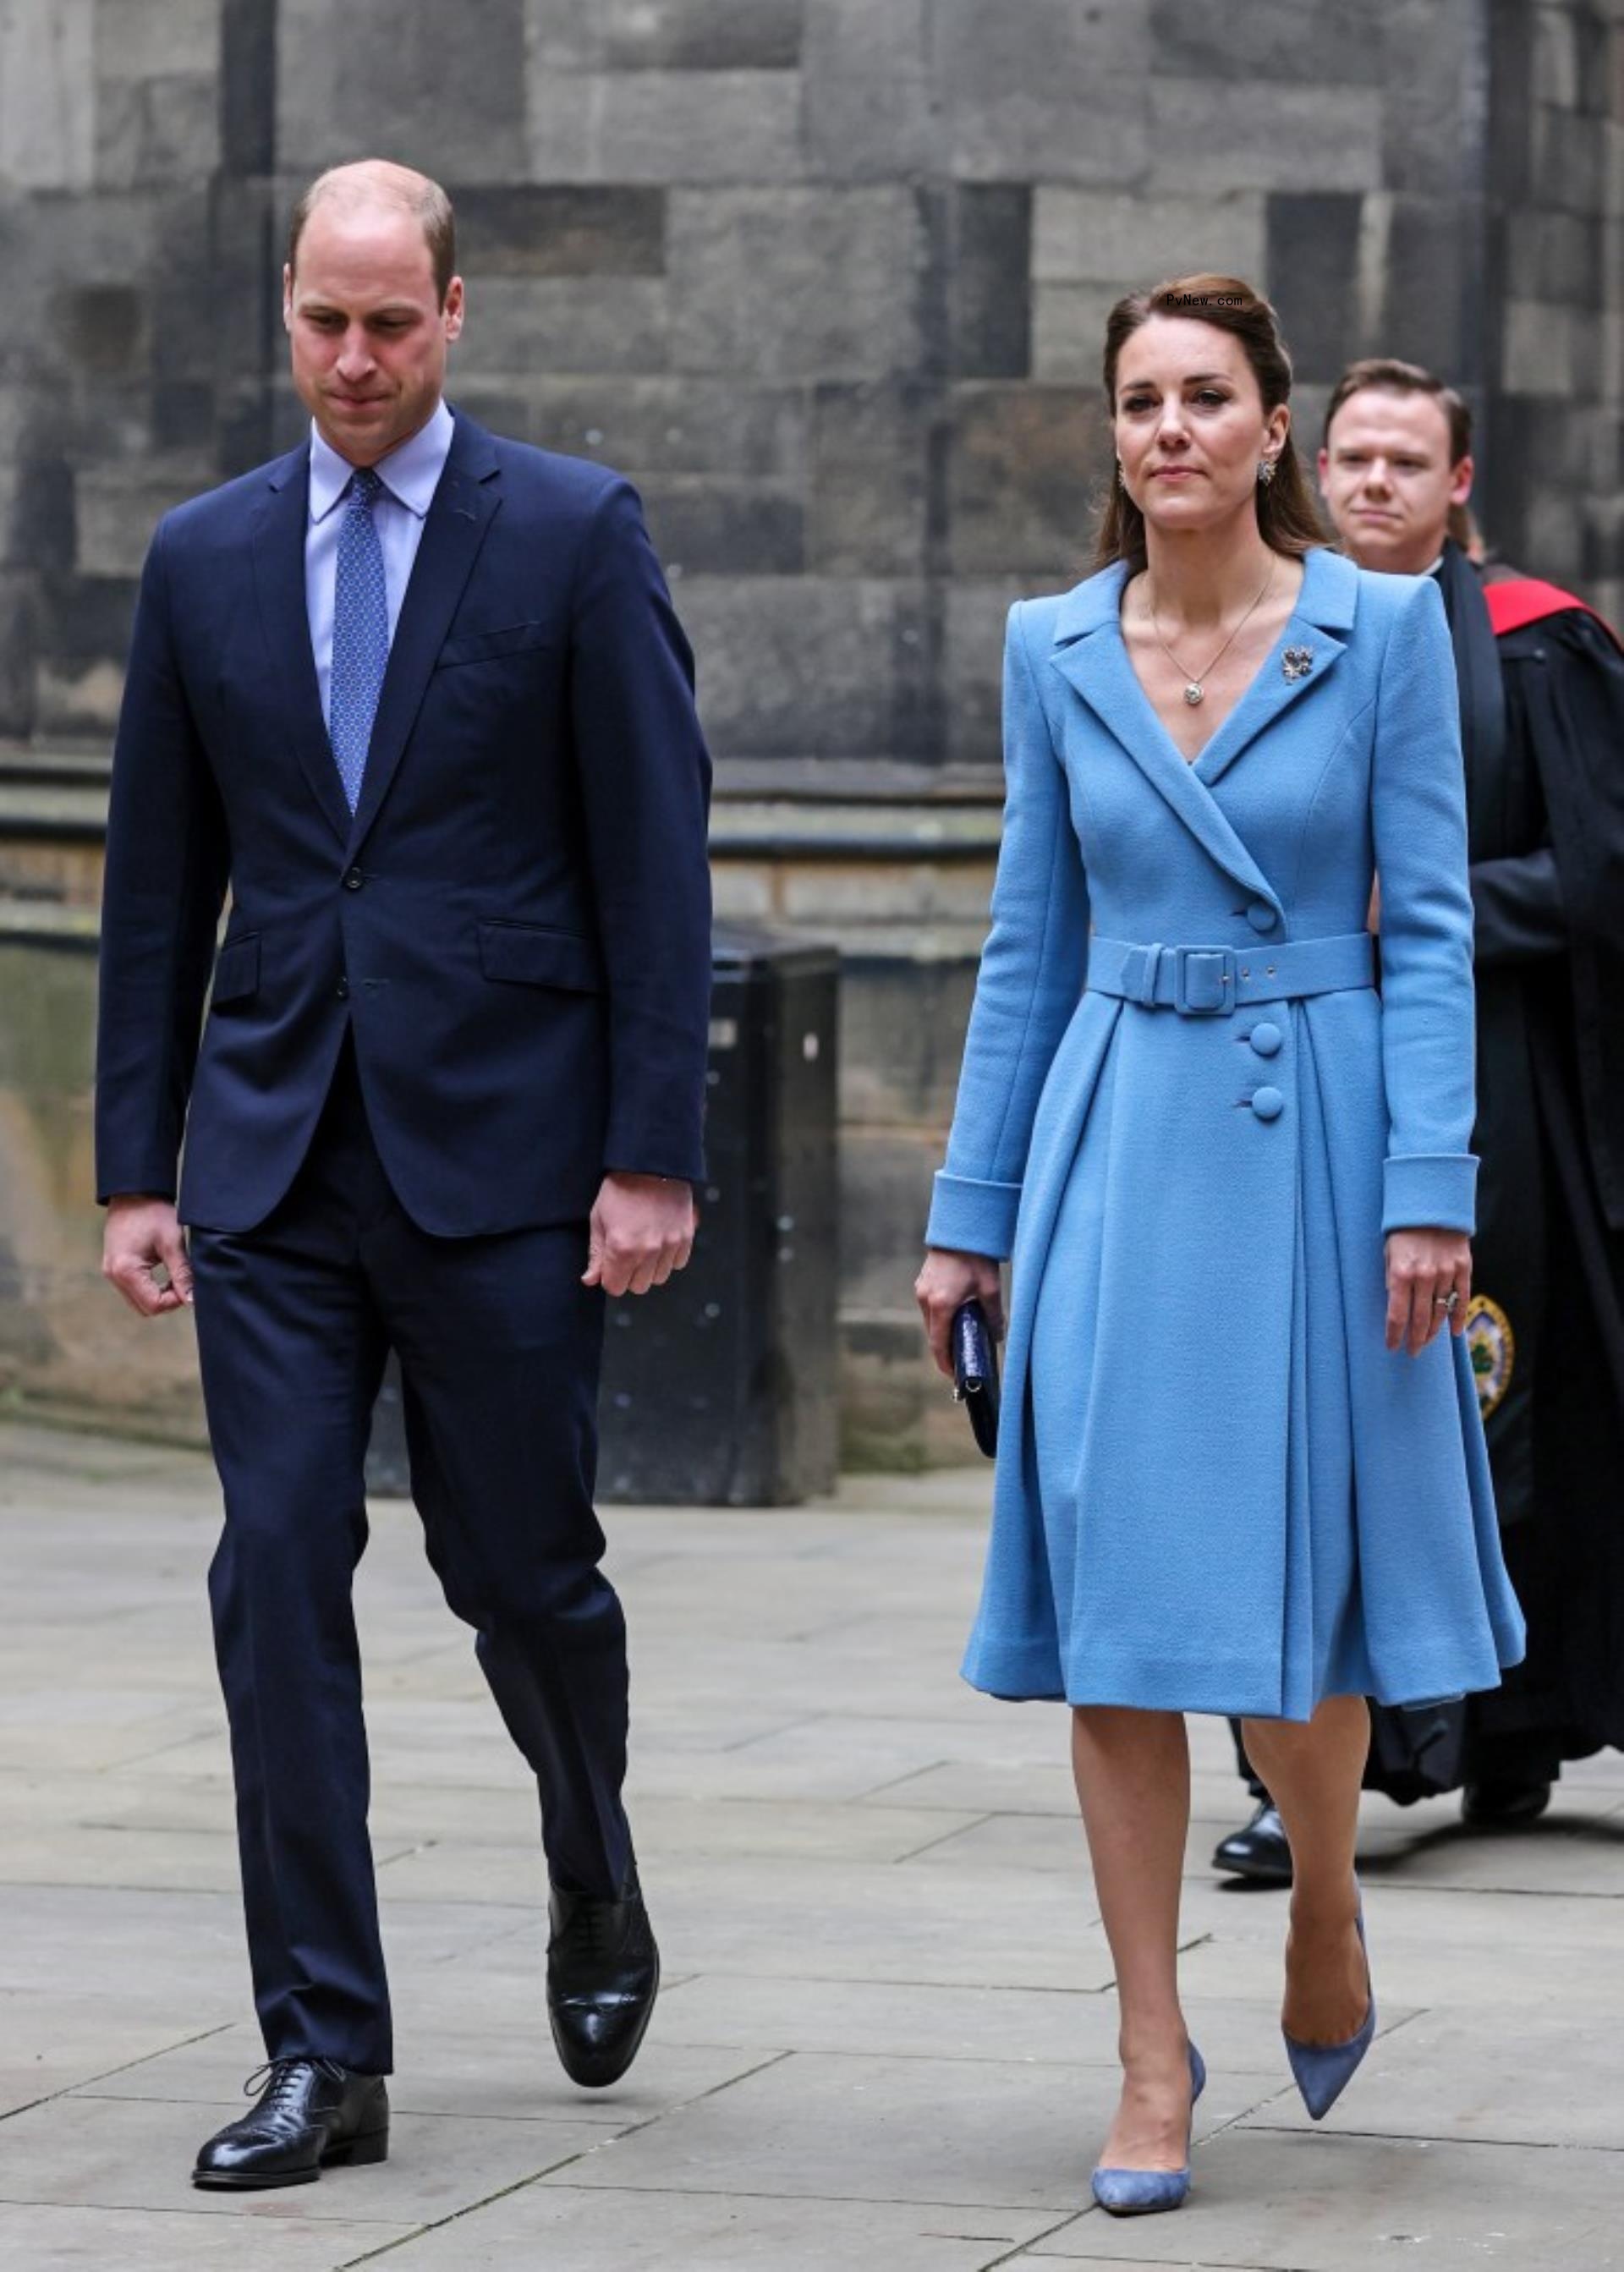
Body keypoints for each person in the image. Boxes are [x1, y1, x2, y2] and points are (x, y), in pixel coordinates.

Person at [95, 161, 713, 2190]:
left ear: (454, 317)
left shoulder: (571, 530)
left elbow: (652, 855)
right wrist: (134, 1167)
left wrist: (651, 1156)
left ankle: (594, 1856)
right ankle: (323, 2048)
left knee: (521, 1570)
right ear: (287, 309)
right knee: (275, 1569)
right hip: (271, 1155)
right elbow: (159, 883)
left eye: (391, 322)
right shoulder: (202, 556)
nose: (353, 360)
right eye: (323, 320)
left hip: (512, 1157)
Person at [914, 277, 1522, 2218]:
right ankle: (1149, 2051)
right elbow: (1027, 942)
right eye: (1138, 401)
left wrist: (1435, 1175)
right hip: (1117, 1131)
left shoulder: (1380, 631)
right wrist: (968, 1220)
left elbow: (1427, 919)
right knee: (1119, 1616)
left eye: (1206, 397)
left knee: (1307, 1601)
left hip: (1324, 1139)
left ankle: (1327, 1897)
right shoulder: (1051, 644)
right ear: (1114, 437)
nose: (1169, 428)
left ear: (1276, 430)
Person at [1214, 359, 1624, 1884]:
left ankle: (1477, 1731)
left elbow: (1604, 868)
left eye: (1409, 461)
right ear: (1314, 465)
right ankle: (1321, 1755)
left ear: (1462, 484)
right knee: (1296, 1409)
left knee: (1475, 1386)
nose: (1375, 482)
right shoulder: (1255, 620)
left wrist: (1428, 911)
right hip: (1295, 1068)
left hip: (1494, 1075)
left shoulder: (1539, 643)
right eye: (1356, 457)